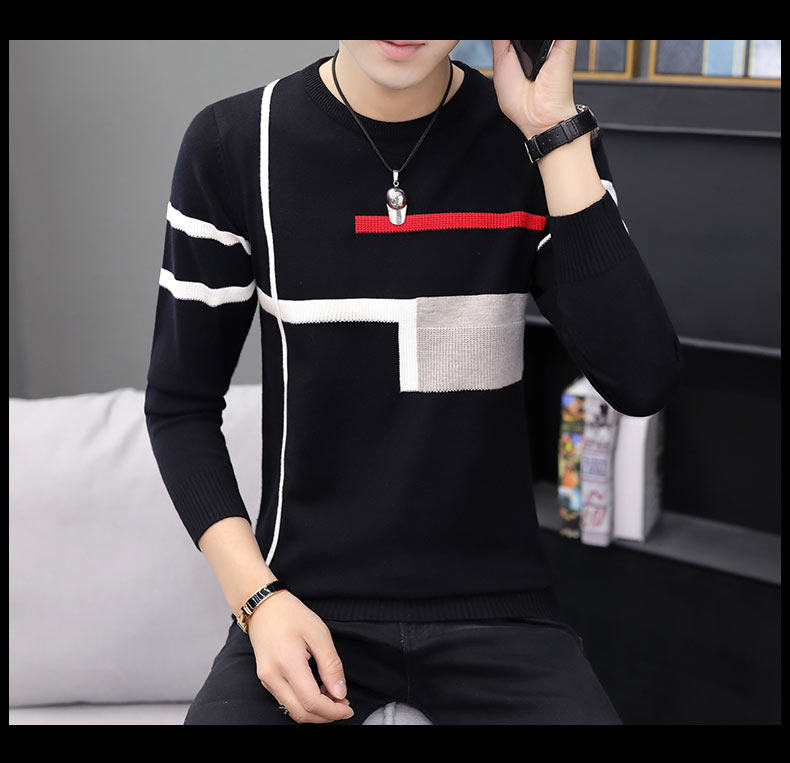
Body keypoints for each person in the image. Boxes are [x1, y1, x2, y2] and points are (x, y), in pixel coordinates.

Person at [144, 40, 682, 725]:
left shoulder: (545, 141)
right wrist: (258, 599)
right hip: (303, 599)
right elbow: (181, 405)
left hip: (501, 608)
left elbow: (642, 379)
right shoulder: (233, 143)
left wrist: (552, 129)